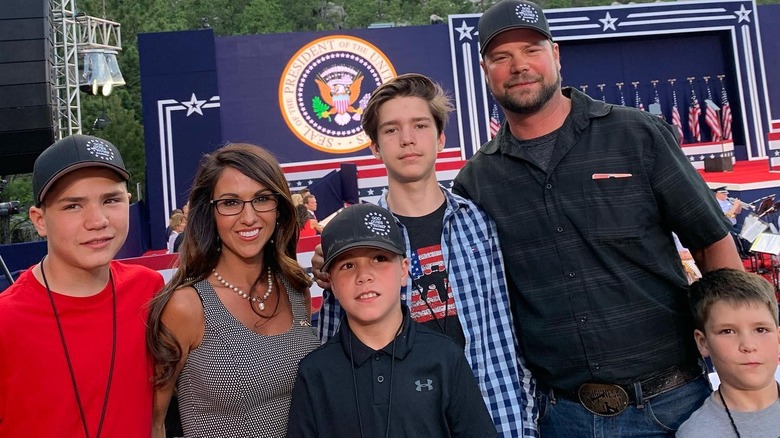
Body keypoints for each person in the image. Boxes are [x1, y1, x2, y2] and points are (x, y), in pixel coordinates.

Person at [451, 0, 744, 435]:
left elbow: (710, 243)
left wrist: (739, 356)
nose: (519, 66)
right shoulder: (477, 181)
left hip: (675, 407)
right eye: (501, 57)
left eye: (532, 49)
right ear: (484, 69)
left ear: (556, 55)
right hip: (562, 417)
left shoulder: (636, 133)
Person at [313, 73, 537, 436]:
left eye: (419, 125)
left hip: (499, 418)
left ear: (440, 138)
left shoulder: (481, 224)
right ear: (375, 147)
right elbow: (330, 353)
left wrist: (525, 423)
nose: (407, 139)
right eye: (391, 130)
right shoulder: (355, 239)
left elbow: (512, 334)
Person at [146, 143, 319, 437]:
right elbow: (154, 422)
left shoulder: (295, 289)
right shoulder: (186, 306)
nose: (249, 217)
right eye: (230, 202)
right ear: (209, 212)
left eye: (262, 199)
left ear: (279, 208)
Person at [0, 134, 164, 437]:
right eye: (73, 206)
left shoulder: (149, 290)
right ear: (39, 220)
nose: (97, 220)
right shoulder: (6, 319)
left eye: (111, 200)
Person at [287, 203, 497, 437]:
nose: (364, 275)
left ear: (404, 270)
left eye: (379, 258)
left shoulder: (445, 357)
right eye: (348, 265)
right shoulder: (315, 372)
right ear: (331, 282)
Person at [678, 268, 780, 437]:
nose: (748, 345)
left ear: (778, 337)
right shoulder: (698, 433)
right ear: (703, 342)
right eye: (727, 331)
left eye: (761, 329)